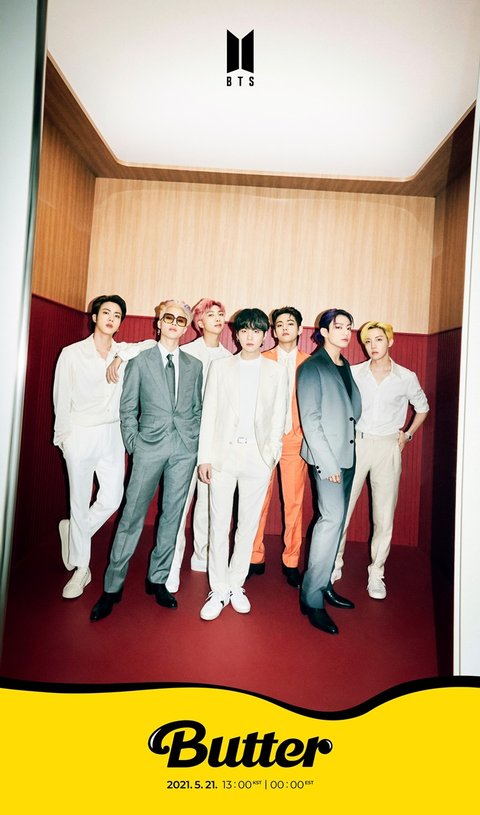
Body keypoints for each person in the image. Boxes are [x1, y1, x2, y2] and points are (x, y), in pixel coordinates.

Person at [90, 299, 203, 621]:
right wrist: (135, 445)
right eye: (169, 318)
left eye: (180, 320)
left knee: (172, 517)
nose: (174, 324)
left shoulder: (195, 365)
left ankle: (158, 579)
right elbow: (127, 408)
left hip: (184, 450)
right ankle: (112, 586)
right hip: (148, 447)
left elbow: (197, 407)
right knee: (131, 516)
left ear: (186, 327)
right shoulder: (140, 360)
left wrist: (193, 441)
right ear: (159, 322)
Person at [53, 294, 156, 599]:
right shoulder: (72, 354)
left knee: (112, 497)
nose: (111, 318)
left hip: (112, 433)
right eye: (106, 313)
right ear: (94, 317)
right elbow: (61, 399)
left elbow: (151, 344)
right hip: (80, 433)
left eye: (117, 315)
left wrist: (121, 357)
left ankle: (75, 529)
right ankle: (81, 569)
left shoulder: (122, 351)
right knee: (79, 499)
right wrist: (65, 441)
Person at [197, 307, 288, 621]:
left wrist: (271, 455)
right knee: (219, 524)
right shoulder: (221, 367)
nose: (250, 337)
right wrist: (205, 457)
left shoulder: (276, 371)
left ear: (264, 336)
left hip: (257, 459)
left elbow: (279, 417)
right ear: (236, 334)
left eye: (256, 331)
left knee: (248, 526)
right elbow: (209, 414)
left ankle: (236, 584)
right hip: (223, 456)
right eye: (245, 330)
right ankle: (218, 588)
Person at [332, 321, 429, 599]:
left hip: (388, 448)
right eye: (368, 341)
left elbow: (422, 408)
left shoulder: (406, 377)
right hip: (357, 445)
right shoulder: (354, 373)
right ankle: (334, 564)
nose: (373, 346)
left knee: (384, 515)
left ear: (390, 341)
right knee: (342, 510)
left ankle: (377, 573)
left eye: (378, 339)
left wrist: (407, 435)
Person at [296, 308, 361, 635]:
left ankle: (324, 585)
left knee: (337, 523)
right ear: (323, 332)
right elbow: (310, 420)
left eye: (349, 327)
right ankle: (311, 599)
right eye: (339, 327)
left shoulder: (344, 365)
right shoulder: (312, 367)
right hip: (329, 460)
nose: (346, 332)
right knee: (330, 521)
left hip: (348, 456)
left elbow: (351, 409)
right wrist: (328, 463)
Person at [165, 298, 232, 593]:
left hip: (215, 441)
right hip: (186, 439)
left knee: (207, 502)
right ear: (199, 322)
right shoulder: (186, 352)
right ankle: (171, 565)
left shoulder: (230, 357)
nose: (217, 318)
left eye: (221, 314)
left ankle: (201, 555)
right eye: (210, 314)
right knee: (179, 503)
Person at [247, 306, 309, 588]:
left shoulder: (310, 363)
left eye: (290, 323)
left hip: (295, 440)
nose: (285, 328)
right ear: (273, 330)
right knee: (258, 499)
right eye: (280, 324)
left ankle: (291, 560)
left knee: (294, 503)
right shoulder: (262, 359)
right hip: (264, 440)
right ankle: (254, 556)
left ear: (300, 329)